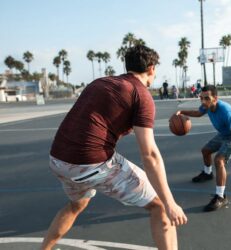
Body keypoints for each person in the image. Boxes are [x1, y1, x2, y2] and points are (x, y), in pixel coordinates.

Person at [41, 45, 187, 250]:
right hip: (90, 164)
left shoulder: (100, 82)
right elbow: (150, 155)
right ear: (152, 69)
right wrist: (170, 203)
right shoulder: (140, 94)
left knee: (78, 204)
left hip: (57, 160)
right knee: (160, 205)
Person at [175, 85, 231, 212]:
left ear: (215, 98)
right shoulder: (206, 106)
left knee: (219, 160)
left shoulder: (226, 112)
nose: (203, 101)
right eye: (201, 98)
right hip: (224, 134)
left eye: (207, 98)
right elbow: (197, 113)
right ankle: (208, 174)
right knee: (206, 150)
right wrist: (182, 112)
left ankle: (221, 196)